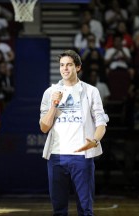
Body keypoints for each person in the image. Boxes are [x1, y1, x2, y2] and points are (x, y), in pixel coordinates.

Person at [39, 50, 109, 216]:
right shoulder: (50, 92)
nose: (65, 68)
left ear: (78, 67)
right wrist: (54, 104)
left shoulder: (91, 91)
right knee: (59, 210)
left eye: (69, 65)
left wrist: (95, 140)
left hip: (82, 156)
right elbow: (43, 128)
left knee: (85, 209)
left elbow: (101, 122)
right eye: (62, 65)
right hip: (56, 156)